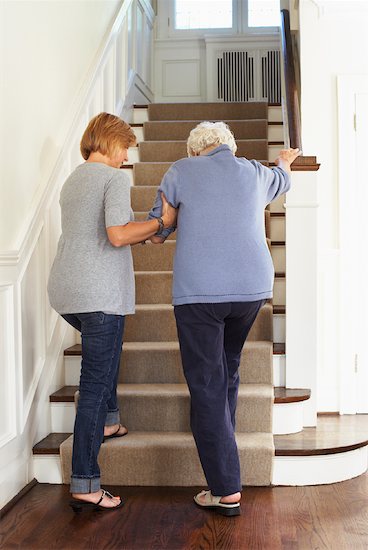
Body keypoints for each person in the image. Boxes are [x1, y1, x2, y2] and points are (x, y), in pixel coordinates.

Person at [148, 121, 300, 516]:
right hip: (251, 289)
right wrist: (284, 160)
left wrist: (169, 219)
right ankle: (224, 450)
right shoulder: (254, 172)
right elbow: (283, 179)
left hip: (200, 293)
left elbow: (158, 230)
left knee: (207, 382)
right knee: (227, 368)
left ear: (196, 149)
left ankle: (225, 487)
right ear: (229, 147)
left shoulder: (181, 170)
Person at [48, 112, 177, 512]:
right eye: (124, 147)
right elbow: (118, 234)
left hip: (67, 291)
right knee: (93, 383)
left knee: (105, 362)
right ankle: (85, 480)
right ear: (108, 142)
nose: (125, 157)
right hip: (99, 293)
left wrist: (144, 231)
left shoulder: (73, 178)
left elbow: (99, 233)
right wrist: (159, 223)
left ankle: (110, 420)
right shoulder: (112, 178)